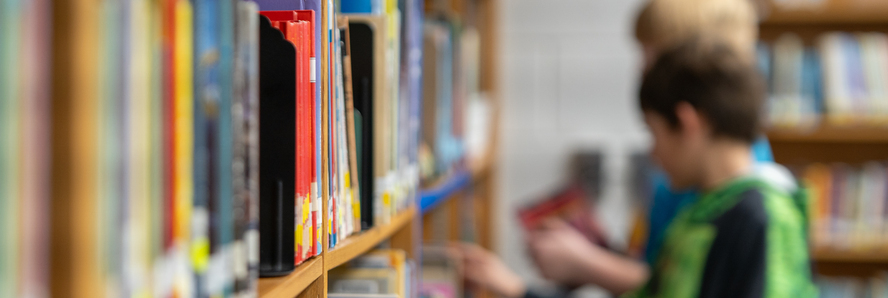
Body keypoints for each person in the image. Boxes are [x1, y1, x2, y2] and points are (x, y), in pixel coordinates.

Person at [456, 0, 782, 297]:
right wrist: (595, 254)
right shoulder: (709, 181)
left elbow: (670, 284)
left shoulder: (738, 200)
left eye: (652, 55)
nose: (641, 68)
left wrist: (582, 265)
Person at [626, 35, 816, 297]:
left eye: (653, 132)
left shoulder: (762, 217)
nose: (653, 152)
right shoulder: (702, 209)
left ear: (687, 122)